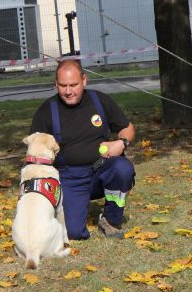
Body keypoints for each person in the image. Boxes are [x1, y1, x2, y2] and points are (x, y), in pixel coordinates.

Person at [30, 60, 135, 240]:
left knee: (122, 168)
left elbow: (128, 128)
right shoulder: (47, 110)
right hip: (69, 178)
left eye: (74, 85)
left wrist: (122, 142)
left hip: (100, 171)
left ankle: (111, 219)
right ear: (56, 84)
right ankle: (69, 207)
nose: (69, 91)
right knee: (73, 233)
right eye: (63, 86)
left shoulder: (99, 100)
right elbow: (35, 154)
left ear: (84, 80)